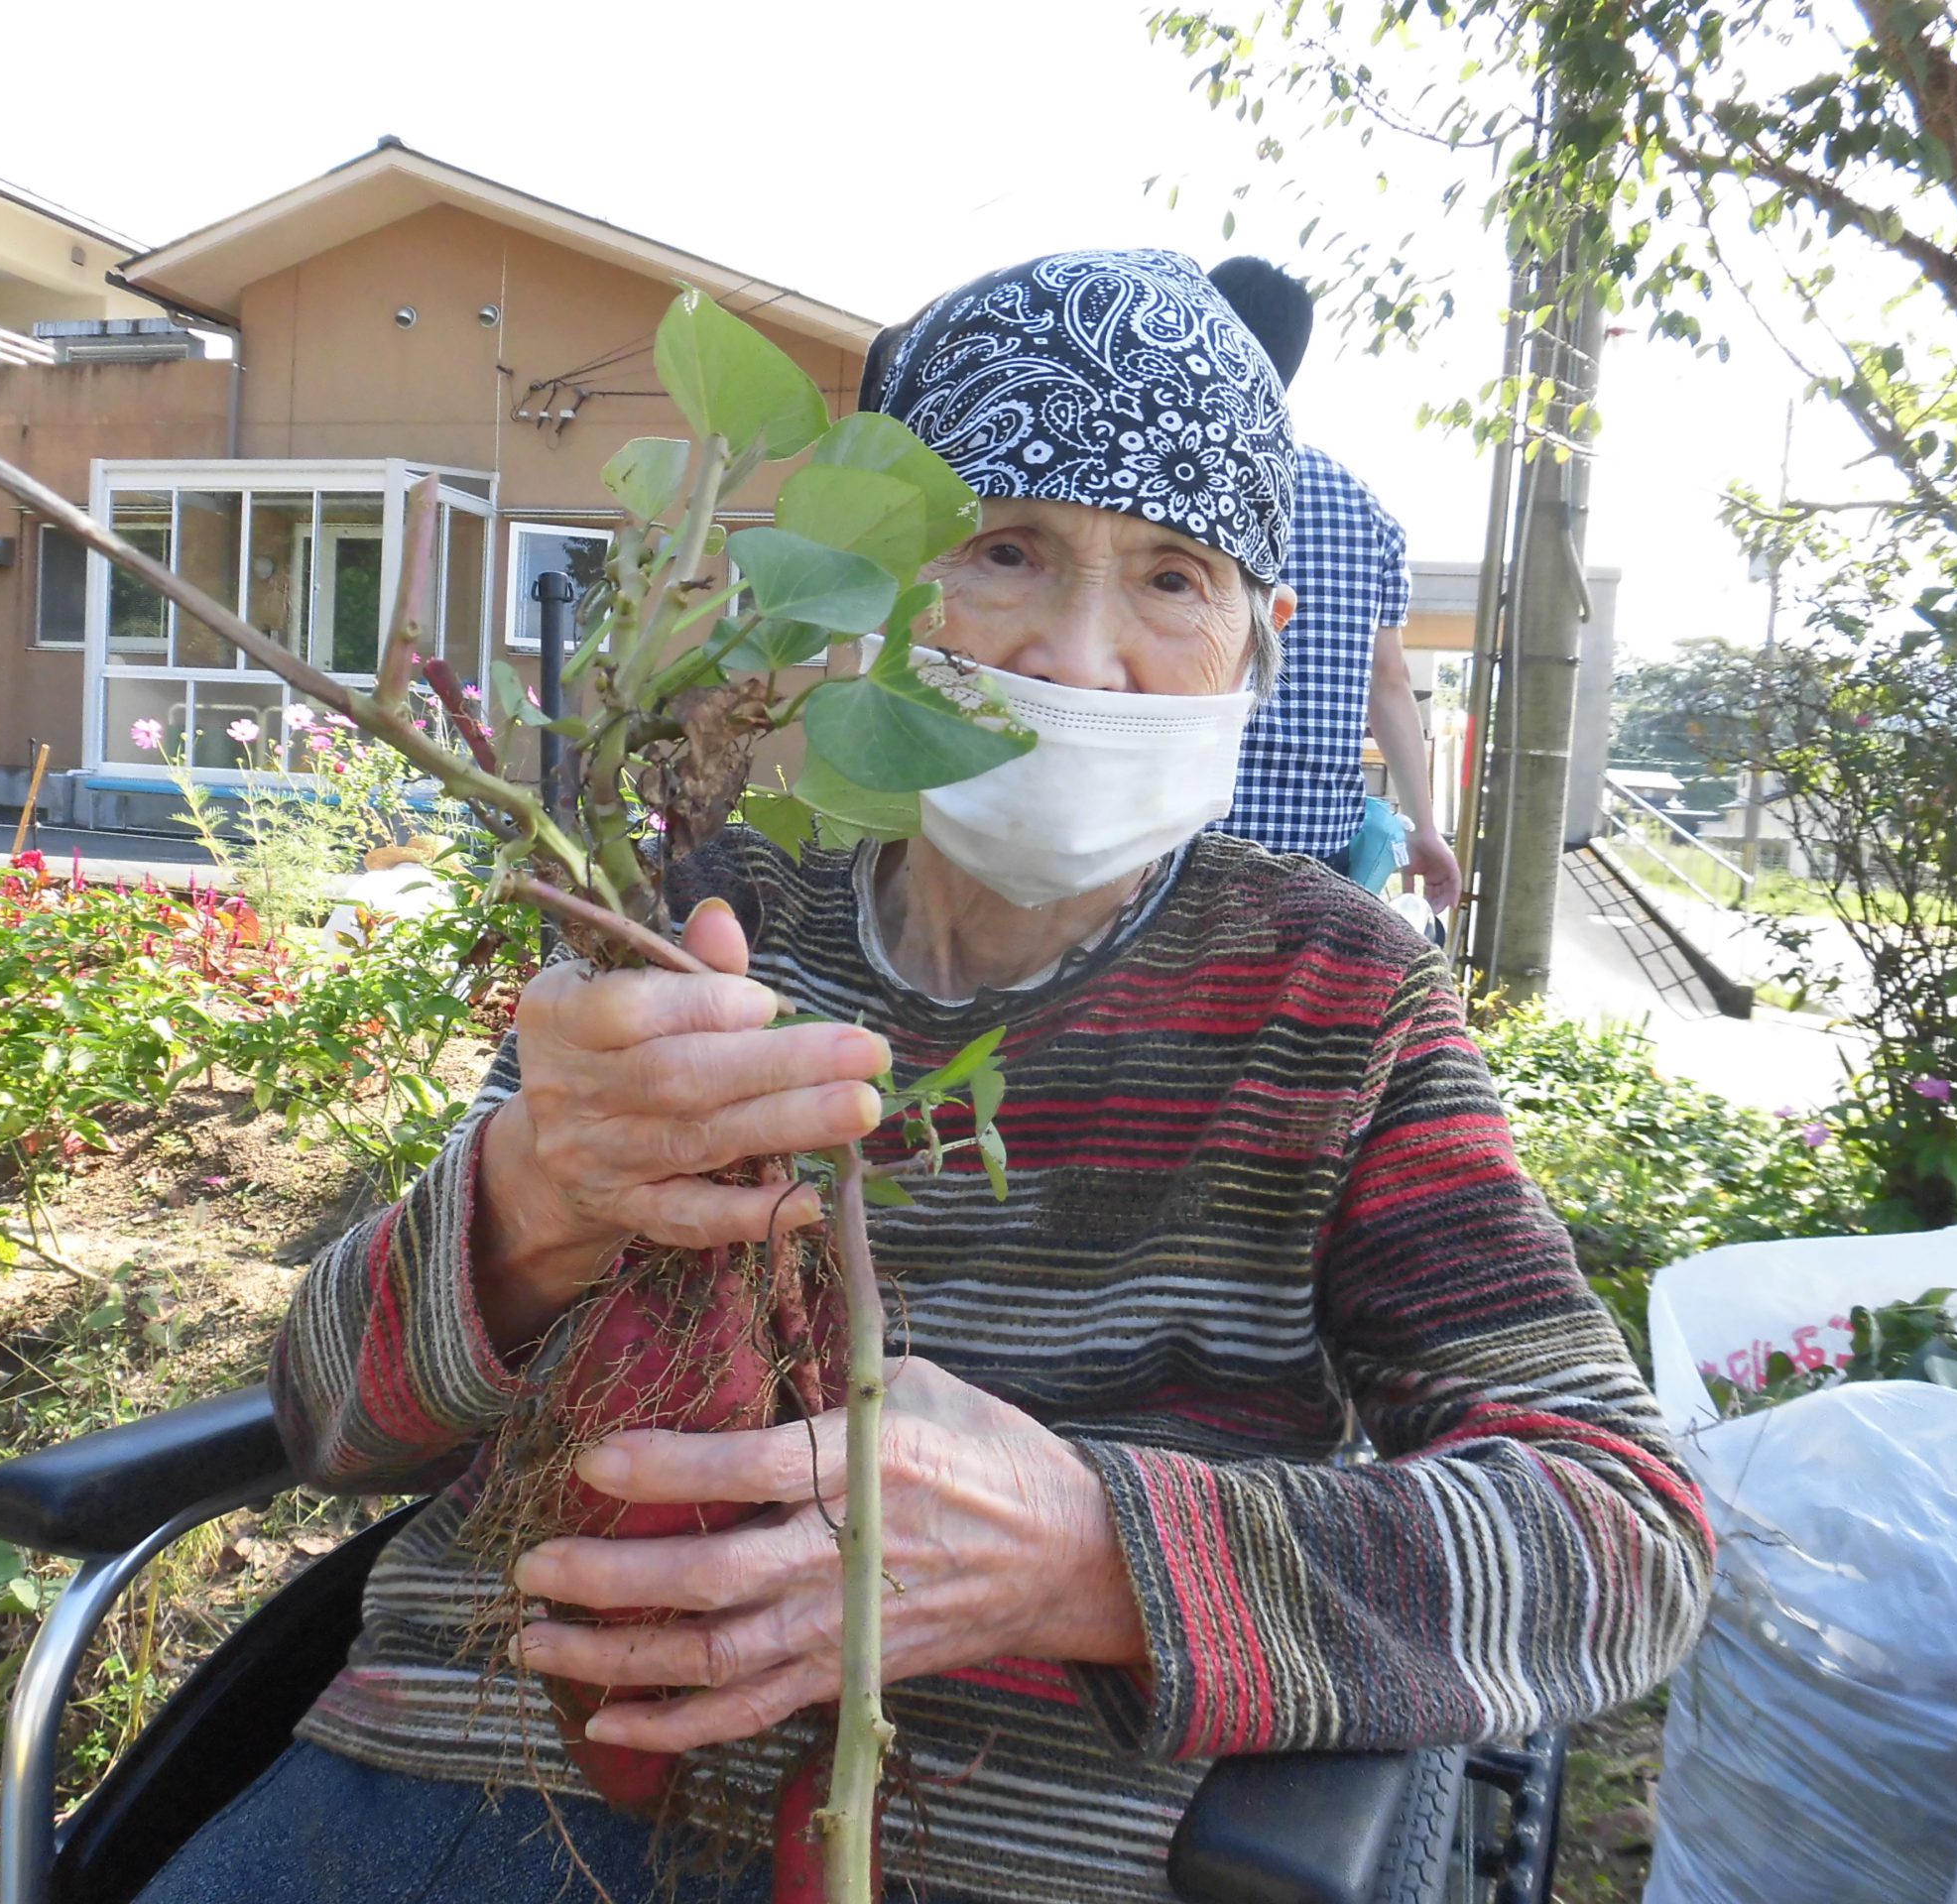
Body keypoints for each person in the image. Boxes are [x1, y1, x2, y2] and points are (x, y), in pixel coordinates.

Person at [135, 249, 1710, 1904]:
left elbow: (1618, 1535)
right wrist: (528, 1209)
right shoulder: (700, 924)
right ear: (879, 600)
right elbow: (329, 1414)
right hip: (473, 1778)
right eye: (1005, 551)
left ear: (1261, 643)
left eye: (1173, 578)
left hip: (1007, 1831)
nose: (1077, 660)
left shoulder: (1337, 998)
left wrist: (1090, 1557)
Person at [1205, 256, 1463, 916]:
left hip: (1183, 835)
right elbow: (1390, 680)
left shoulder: (1165, 477)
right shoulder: (1364, 508)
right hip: (1314, 851)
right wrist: (1426, 830)